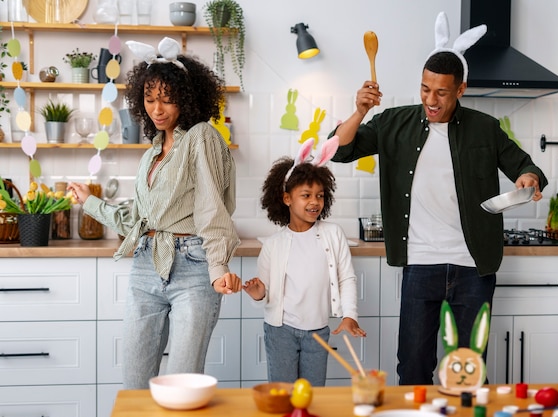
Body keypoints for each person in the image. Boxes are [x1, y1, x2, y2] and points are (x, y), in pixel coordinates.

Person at [329, 13, 548, 385]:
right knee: (412, 368)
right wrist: (361, 111)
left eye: (441, 92)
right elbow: (340, 149)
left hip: (473, 267)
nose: (431, 99)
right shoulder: (393, 123)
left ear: (460, 90)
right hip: (420, 264)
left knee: (467, 368)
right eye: (425, 89)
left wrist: (529, 177)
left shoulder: (485, 128)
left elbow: (525, 166)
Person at [67, 37, 241, 389]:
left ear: (187, 98)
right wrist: (90, 201)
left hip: (193, 267)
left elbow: (211, 205)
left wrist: (219, 265)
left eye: (167, 99)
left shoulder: (201, 136)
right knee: (134, 385)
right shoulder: (153, 152)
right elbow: (140, 219)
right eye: (149, 99)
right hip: (146, 266)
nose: (157, 109)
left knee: (180, 386)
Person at [242, 136, 366, 386]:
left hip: (318, 331)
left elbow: (347, 279)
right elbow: (265, 298)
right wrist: (257, 293)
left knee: (313, 393)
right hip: (280, 332)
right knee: (283, 393)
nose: (314, 202)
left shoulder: (333, 234)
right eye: (306, 195)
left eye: (319, 196)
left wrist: (349, 315)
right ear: (287, 198)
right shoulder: (273, 245)